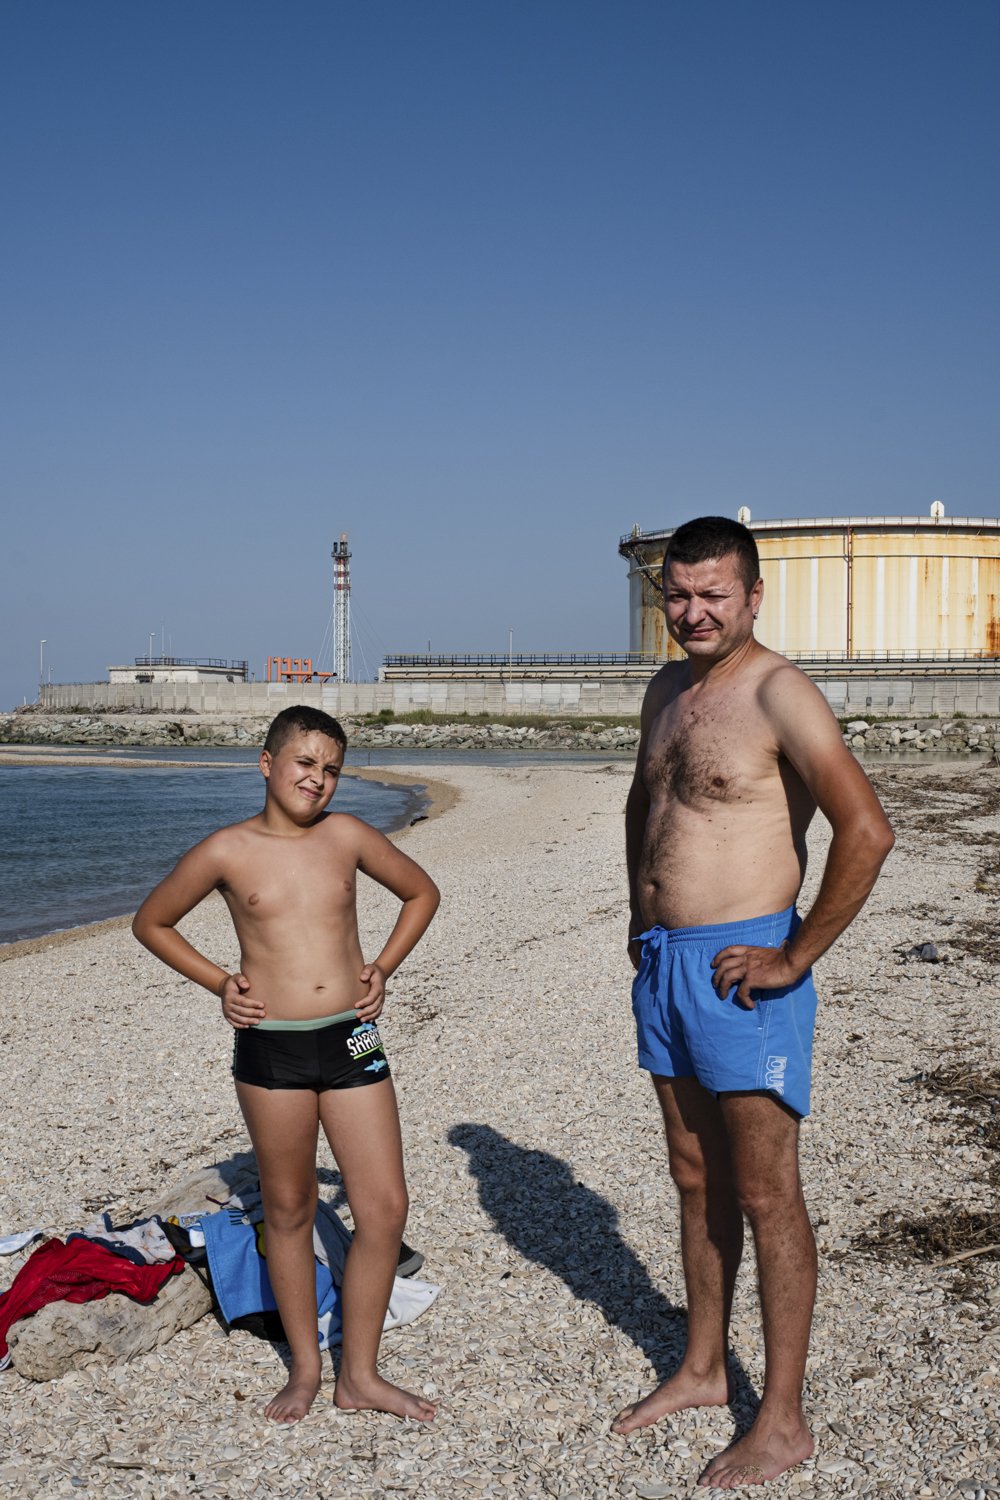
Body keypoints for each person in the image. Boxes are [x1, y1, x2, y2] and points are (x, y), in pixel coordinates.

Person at [615, 516, 894, 1488]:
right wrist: (635, 914)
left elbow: (867, 829)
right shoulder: (665, 690)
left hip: (744, 972)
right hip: (663, 965)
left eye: (710, 596)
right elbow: (643, 803)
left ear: (753, 597)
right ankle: (700, 1368)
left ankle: (780, 1420)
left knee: (768, 1191)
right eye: (676, 596)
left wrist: (797, 954)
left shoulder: (780, 693)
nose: (691, 612)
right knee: (693, 1178)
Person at [132, 705, 440, 1424]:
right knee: (292, 1208)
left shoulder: (349, 836)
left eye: (331, 768)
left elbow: (422, 892)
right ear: (267, 764)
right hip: (270, 1048)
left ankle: (359, 1373)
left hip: (352, 1038)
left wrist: (383, 968)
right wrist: (221, 985)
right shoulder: (226, 851)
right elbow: (152, 921)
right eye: (305, 763)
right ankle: (306, 1367)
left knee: (385, 1206)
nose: (318, 780)